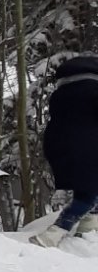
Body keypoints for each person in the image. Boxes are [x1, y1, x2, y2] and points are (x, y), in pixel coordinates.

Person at [31, 53, 98, 248]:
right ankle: (51, 235)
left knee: (87, 190)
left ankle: (87, 235)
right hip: (87, 147)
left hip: (59, 145)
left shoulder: (61, 93)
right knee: (88, 194)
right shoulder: (93, 90)